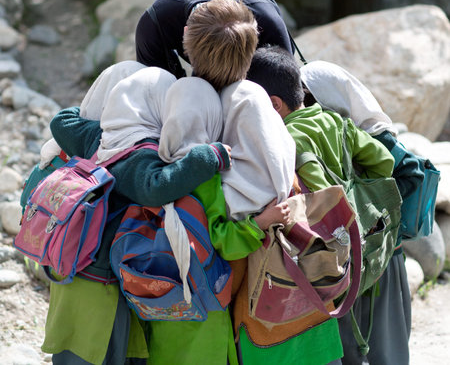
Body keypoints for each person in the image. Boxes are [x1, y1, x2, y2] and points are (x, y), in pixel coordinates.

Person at [42, 66, 233, 365]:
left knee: (71, 351)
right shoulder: (139, 154)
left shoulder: (97, 135)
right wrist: (209, 156)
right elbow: (155, 188)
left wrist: (107, 107)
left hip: (72, 262)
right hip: (101, 276)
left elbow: (61, 121)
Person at [244, 45, 396, 365]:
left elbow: (320, 197)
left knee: (343, 328)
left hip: (334, 248)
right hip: (365, 233)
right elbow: (383, 161)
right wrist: (354, 184)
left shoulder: (288, 139)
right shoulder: (334, 121)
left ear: (274, 104)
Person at [145, 76, 294, 365]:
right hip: (202, 310)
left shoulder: (150, 165)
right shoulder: (208, 177)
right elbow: (223, 241)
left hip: (158, 303)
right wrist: (261, 222)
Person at [300, 60, 423, 365]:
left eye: (305, 96)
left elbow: (410, 178)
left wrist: (365, 211)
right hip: (363, 257)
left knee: (382, 348)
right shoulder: (343, 131)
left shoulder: (371, 135)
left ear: (326, 99)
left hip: (378, 258)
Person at [135, 0, 294, 78]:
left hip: (257, 8)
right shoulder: (154, 25)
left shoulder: (270, 24)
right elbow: (157, 98)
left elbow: (287, 96)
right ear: (185, 32)